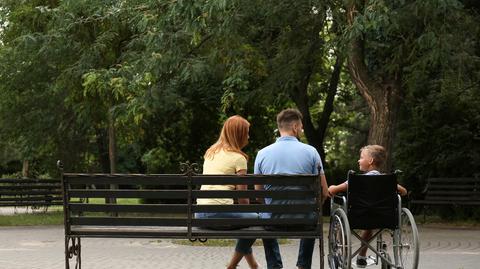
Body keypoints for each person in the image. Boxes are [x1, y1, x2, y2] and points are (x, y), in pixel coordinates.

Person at [234, 108, 330, 269]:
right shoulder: (312, 152)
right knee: (313, 214)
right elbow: (325, 192)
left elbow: (259, 194)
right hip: (305, 221)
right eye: (300, 127)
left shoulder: (262, 154)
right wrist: (312, 207)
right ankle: (303, 265)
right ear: (294, 127)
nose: (301, 130)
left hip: (273, 222)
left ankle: (274, 266)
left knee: (266, 213)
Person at [195, 115, 260, 269]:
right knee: (257, 219)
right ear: (239, 134)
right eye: (247, 132)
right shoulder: (239, 158)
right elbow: (242, 199)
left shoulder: (210, 152)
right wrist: (250, 213)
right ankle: (231, 266)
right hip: (219, 215)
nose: (249, 136)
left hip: (200, 214)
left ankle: (254, 266)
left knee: (245, 222)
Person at [327, 145, 407, 268]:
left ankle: (345, 255)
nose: (358, 160)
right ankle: (361, 257)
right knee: (369, 225)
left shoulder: (357, 180)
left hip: (357, 217)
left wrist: (332, 188)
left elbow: (335, 189)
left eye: (361, 157)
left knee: (341, 223)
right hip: (383, 218)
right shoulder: (387, 181)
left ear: (370, 161)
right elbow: (404, 192)